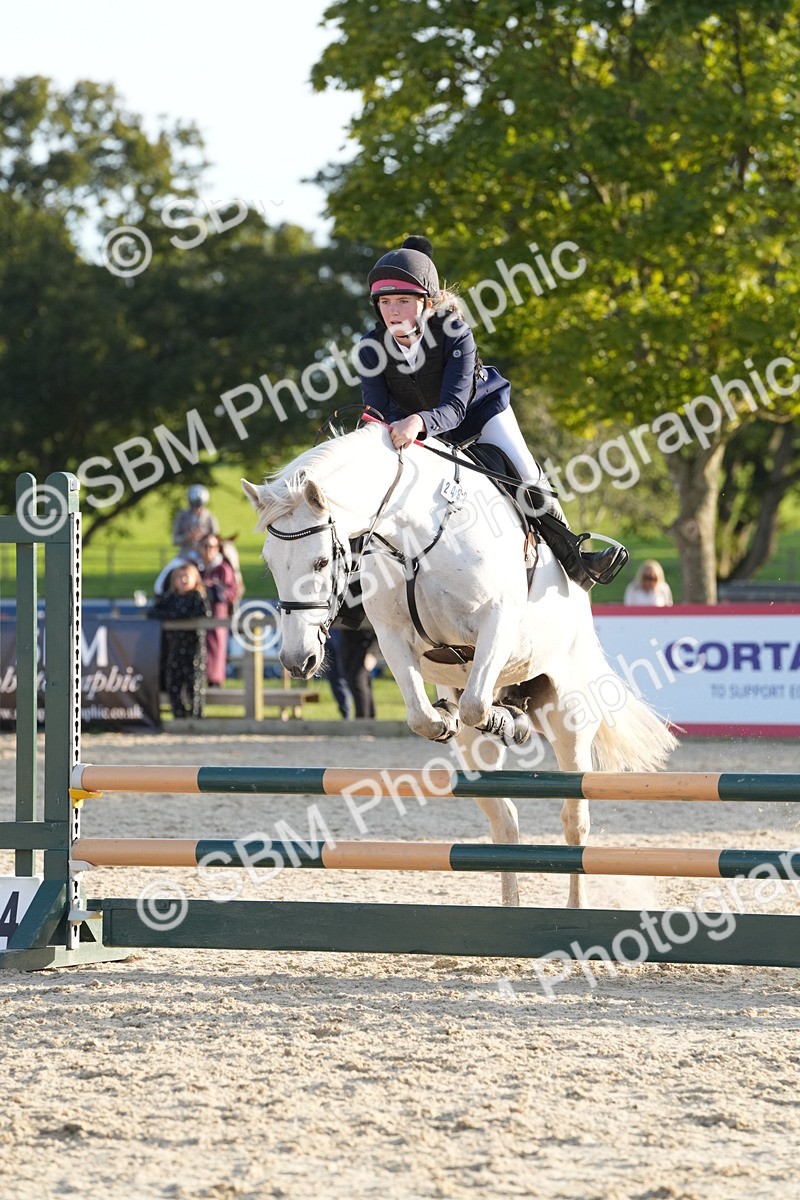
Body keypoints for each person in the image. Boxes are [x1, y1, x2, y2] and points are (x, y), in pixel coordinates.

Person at [356, 235, 627, 591]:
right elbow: (376, 411)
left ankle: (575, 559)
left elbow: (454, 407)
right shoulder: (370, 347)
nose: (392, 311)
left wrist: (418, 422)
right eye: (386, 302)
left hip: (479, 414)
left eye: (403, 301)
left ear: (427, 302)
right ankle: (354, 582)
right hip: (418, 428)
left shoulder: (455, 333)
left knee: (526, 474)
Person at [150, 562, 211, 719]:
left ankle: (197, 716)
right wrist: (175, 615)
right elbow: (153, 611)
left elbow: (203, 613)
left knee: (194, 684)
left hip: (194, 650)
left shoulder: (197, 596)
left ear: (195, 579)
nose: (183, 580)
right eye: (179, 577)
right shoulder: (170, 597)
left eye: (187, 576)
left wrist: (174, 615)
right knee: (173, 684)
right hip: (174, 649)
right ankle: (179, 716)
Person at [197, 534, 239, 686]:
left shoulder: (223, 568)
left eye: (212, 546)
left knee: (215, 649)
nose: (209, 550)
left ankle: (214, 681)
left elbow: (232, 592)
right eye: (205, 546)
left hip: (217, 616)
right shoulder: (196, 568)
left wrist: (214, 588)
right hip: (198, 617)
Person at [172, 484, 219, 561]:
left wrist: (204, 537)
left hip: (206, 555)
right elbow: (175, 539)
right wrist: (187, 537)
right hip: (185, 554)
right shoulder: (182, 516)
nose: (198, 509)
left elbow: (216, 538)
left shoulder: (210, 518)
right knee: (168, 571)